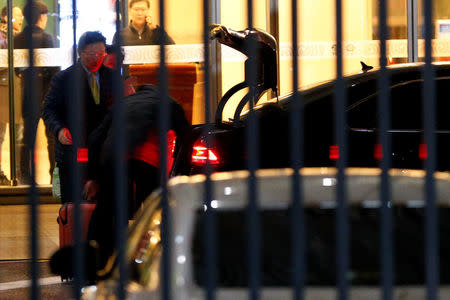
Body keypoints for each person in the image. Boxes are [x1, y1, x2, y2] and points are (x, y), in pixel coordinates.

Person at [83, 84, 189, 270]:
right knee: (155, 209)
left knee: (106, 211)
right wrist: (182, 174)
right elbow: (186, 137)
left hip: (114, 158)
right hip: (147, 160)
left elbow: (94, 138)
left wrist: (93, 177)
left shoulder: (122, 104)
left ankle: (94, 263)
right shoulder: (167, 102)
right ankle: (162, 258)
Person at [43, 31, 115, 203]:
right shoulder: (64, 78)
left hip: (101, 152)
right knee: (72, 205)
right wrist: (59, 129)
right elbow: (49, 109)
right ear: (80, 52)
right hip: (72, 150)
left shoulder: (112, 77)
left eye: (101, 53)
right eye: (92, 54)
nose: (97, 58)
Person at [14, 1, 59, 184]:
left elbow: (17, 67)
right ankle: (54, 176)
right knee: (51, 137)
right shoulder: (47, 38)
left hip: (27, 93)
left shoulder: (17, 39)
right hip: (46, 92)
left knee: (28, 137)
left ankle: (25, 176)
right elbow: (54, 68)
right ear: (41, 17)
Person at [0, 5, 23, 185]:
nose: (20, 19)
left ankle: (18, 173)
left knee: (18, 135)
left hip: (19, 92)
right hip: (3, 91)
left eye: (21, 16)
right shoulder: (2, 36)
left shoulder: (22, 37)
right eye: (16, 16)